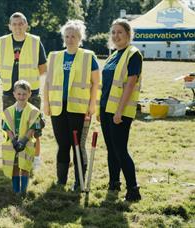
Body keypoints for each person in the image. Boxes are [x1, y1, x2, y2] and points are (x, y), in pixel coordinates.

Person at [44, 20, 100, 191]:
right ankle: (61, 181)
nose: (70, 39)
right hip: (57, 108)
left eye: (73, 36)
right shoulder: (54, 57)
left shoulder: (89, 56)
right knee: (63, 145)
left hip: (79, 109)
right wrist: (46, 104)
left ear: (80, 37)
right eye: (67, 36)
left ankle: (79, 182)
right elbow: (47, 83)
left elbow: (96, 83)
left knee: (78, 146)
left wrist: (92, 105)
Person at [0, 11, 47, 169]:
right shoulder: (2, 41)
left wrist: (27, 86)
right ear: (9, 26)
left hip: (31, 93)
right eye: (14, 24)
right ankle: (13, 159)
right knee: (9, 128)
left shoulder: (35, 41)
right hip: (9, 93)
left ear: (26, 25)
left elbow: (43, 68)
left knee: (34, 129)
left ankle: (35, 160)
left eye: (21, 23)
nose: (17, 27)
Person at [98, 18, 142, 201]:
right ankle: (114, 183)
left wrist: (119, 111)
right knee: (111, 149)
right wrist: (101, 110)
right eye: (113, 32)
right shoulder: (113, 55)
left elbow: (130, 85)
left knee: (120, 150)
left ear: (128, 34)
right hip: (105, 109)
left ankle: (133, 190)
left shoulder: (133, 54)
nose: (116, 36)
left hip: (120, 111)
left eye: (120, 32)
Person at [2, 80, 42, 195]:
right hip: (13, 144)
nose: (21, 96)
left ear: (29, 94)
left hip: (27, 143)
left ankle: (23, 191)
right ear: (14, 94)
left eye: (24, 94)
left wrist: (23, 141)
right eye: (19, 94)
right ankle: (16, 191)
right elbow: (7, 128)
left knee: (24, 166)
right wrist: (14, 141)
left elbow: (33, 128)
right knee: (14, 166)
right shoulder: (8, 111)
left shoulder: (34, 111)